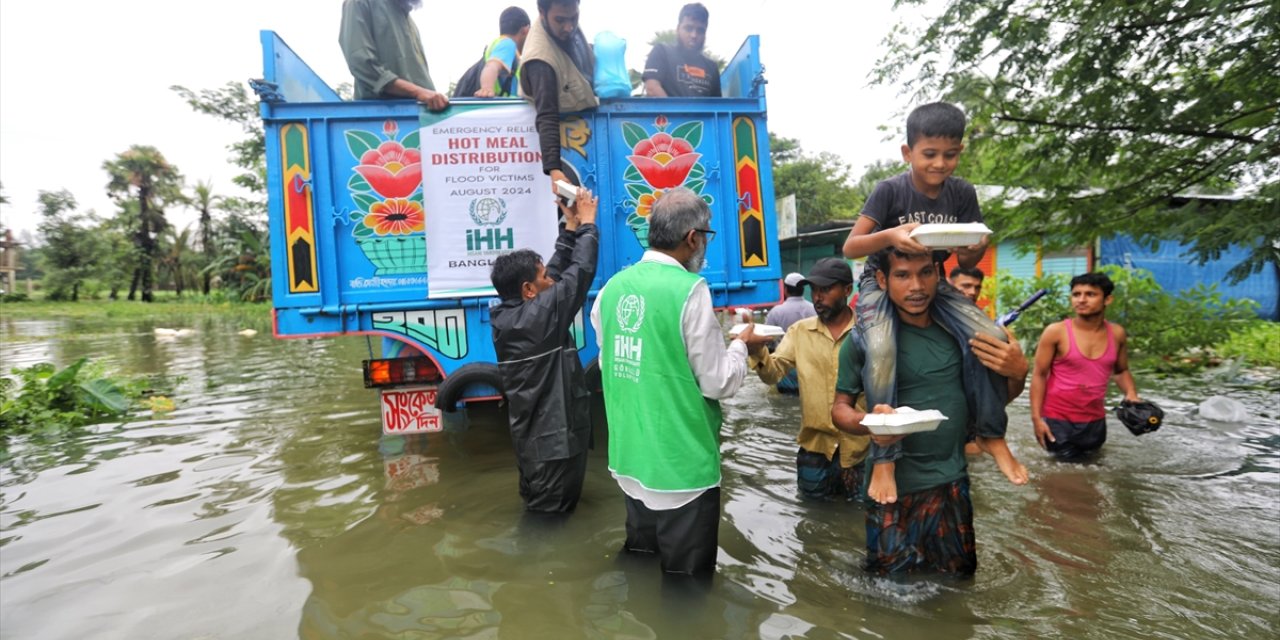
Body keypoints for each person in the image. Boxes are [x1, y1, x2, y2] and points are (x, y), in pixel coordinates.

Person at [841, 102, 1027, 503]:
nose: (940, 164)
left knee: (991, 335)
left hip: (934, 278)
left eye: (951, 154)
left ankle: (991, 435)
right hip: (880, 280)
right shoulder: (890, 189)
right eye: (930, 154)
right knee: (881, 345)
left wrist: (978, 246)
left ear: (960, 151)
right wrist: (891, 235)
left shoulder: (962, 193)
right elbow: (852, 245)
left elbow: (966, 262)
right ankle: (886, 456)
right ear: (908, 153)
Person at [590, 187, 773, 576]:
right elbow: (718, 383)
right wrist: (740, 345)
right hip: (680, 470)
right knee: (687, 590)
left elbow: (615, 364)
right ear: (693, 239)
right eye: (705, 238)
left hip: (630, 461)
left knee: (640, 566)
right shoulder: (689, 291)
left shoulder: (610, 290)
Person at [831, 248, 1029, 575]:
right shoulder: (863, 340)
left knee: (960, 583)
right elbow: (840, 409)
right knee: (889, 594)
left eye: (925, 272)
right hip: (892, 493)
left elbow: (991, 400)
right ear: (882, 279)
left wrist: (1019, 372)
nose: (916, 286)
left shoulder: (964, 334)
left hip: (953, 484)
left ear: (938, 273)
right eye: (902, 275)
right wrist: (870, 423)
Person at [489, 187, 600, 512]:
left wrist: (569, 228)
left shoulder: (512, 315)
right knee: (548, 522)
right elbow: (580, 273)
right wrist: (589, 224)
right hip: (553, 449)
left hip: (539, 446)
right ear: (528, 290)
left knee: (542, 512)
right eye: (542, 279)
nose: (550, 280)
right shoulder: (537, 319)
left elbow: (553, 273)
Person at [748, 258, 869, 501]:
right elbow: (773, 372)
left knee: (861, 519)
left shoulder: (868, 332)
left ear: (847, 290)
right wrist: (755, 349)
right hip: (814, 450)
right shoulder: (800, 331)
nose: (817, 297)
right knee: (812, 518)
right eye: (814, 290)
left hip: (860, 451)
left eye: (825, 290)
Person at [1030, 272, 1141, 460]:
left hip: (1095, 422)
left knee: (1092, 471)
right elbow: (1039, 375)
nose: (1081, 300)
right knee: (1064, 477)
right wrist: (1036, 419)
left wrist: (1131, 394)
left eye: (1090, 294)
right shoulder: (1056, 332)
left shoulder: (1117, 333)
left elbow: (1121, 371)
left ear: (1108, 299)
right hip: (1058, 421)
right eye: (1076, 294)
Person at [521, 0, 599, 194]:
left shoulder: (565, 22)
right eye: (560, 20)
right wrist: (555, 170)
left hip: (591, 128)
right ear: (541, 12)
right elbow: (546, 116)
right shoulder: (540, 61)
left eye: (574, 18)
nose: (569, 27)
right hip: (565, 146)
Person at [338, 0, 449, 110]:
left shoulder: (407, 19)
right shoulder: (360, 3)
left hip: (420, 117)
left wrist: (432, 98)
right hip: (381, 117)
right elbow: (361, 64)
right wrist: (418, 92)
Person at [642, 3, 722, 98]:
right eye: (688, 28)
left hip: (702, 113)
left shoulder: (712, 67)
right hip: (667, 113)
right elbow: (652, 88)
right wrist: (675, 112)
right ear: (678, 29)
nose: (694, 35)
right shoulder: (662, 51)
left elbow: (716, 105)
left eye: (700, 31)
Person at [764, 272, 816, 394]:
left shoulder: (776, 312)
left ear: (785, 289)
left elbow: (767, 342)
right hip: (810, 368)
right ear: (803, 289)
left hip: (785, 369)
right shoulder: (814, 309)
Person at [474, 7, 531, 98]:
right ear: (526, 30)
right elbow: (492, 66)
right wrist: (487, 88)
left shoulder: (499, 44)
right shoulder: (508, 44)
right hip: (500, 106)